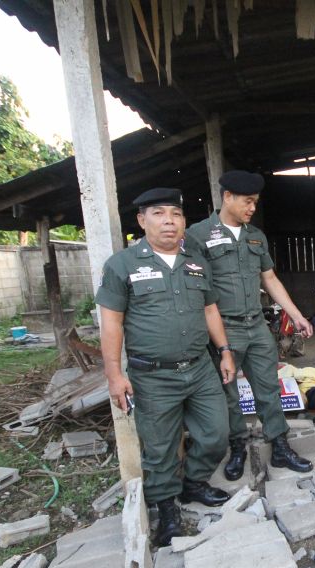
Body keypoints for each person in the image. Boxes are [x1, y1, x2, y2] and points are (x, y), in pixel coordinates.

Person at [96, 188, 236, 547]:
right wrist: (114, 374)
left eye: (175, 214)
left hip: (200, 368)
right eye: (158, 213)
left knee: (216, 432)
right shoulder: (122, 265)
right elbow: (111, 323)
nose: (169, 221)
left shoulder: (196, 263)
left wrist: (224, 351)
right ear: (142, 220)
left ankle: (194, 483)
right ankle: (167, 508)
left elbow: (210, 310)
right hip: (152, 374)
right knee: (159, 447)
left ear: (184, 222)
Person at [187, 170, 314, 479]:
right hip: (223, 327)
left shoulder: (256, 236)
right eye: (247, 201)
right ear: (227, 197)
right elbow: (194, 289)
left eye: (255, 202)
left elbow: (269, 278)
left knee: (269, 387)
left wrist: (296, 314)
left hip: (256, 325)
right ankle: (238, 447)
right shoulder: (198, 235)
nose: (252, 208)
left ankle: (279, 446)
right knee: (229, 393)